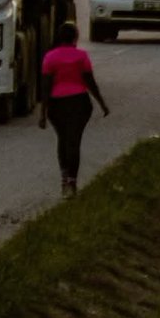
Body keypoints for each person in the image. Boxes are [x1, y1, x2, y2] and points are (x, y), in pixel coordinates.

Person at [39, 21, 110, 199]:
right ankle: (72, 181)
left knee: (62, 140)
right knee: (74, 141)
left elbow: (46, 87)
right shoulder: (81, 56)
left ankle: (64, 180)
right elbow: (90, 82)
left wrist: (43, 113)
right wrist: (102, 103)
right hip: (79, 103)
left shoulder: (50, 57)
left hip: (57, 105)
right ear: (75, 38)